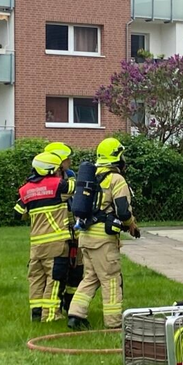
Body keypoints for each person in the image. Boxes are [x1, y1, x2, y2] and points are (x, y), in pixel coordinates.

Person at [68, 137, 139, 330]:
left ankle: (75, 315)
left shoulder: (91, 177)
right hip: (103, 241)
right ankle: (114, 323)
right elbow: (123, 211)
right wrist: (130, 225)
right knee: (111, 280)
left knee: (90, 277)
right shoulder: (116, 179)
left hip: (85, 237)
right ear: (117, 157)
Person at [14, 151, 75, 322]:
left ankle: (36, 314)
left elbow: (18, 214)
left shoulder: (26, 189)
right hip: (55, 243)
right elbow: (74, 186)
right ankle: (50, 315)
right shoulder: (58, 185)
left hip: (36, 245)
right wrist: (69, 174)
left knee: (36, 279)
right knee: (55, 279)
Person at [44, 142, 81, 313]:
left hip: (73, 228)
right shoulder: (47, 182)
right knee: (58, 270)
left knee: (77, 268)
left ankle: (70, 303)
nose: (70, 162)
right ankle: (54, 305)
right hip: (56, 233)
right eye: (67, 159)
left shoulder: (70, 175)